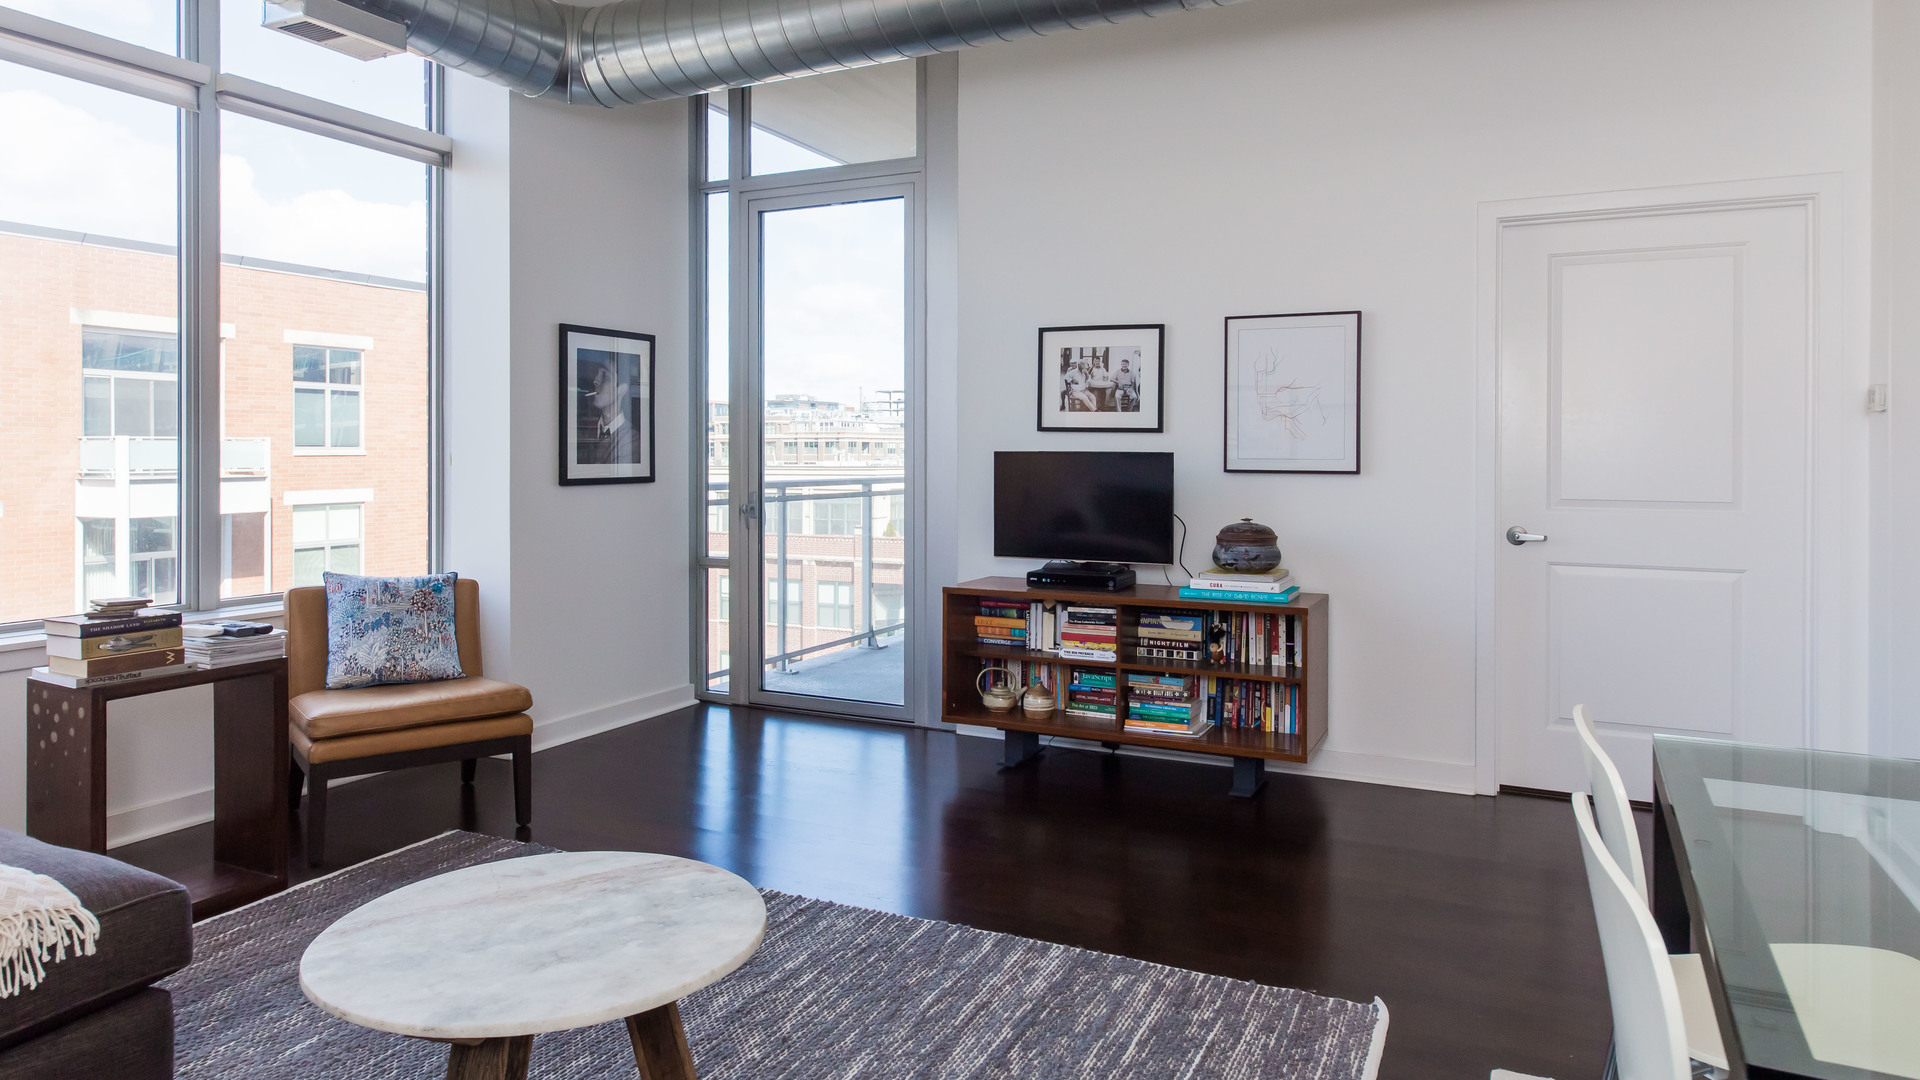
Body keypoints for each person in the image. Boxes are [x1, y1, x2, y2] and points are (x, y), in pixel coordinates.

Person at [579, 358, 636, 465]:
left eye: (605, 377)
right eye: (597, 374)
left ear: (621, 389)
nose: (595, 381)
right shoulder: (593, 431)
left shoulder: (632, 440)